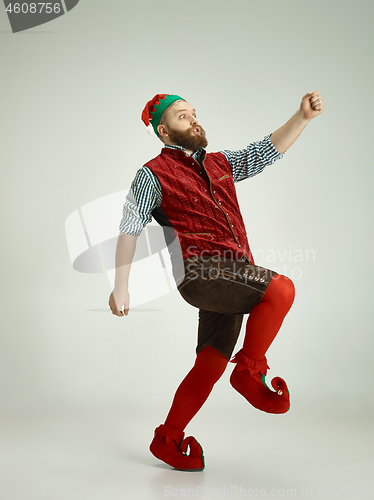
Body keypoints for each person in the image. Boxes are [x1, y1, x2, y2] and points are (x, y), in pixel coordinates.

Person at [108, 91, 324, 472]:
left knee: (210, 363)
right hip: (202, 271)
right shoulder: (152, 174)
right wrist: (120, 285)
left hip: (234, 274)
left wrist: (302, 117)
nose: (192, 119)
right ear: (163, 130)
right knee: (281, 289)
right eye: (181, 116)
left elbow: (264, 152)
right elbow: (130, 227)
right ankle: (250, 371)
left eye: (193, 113)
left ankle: (169, 438)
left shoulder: (221, 164)